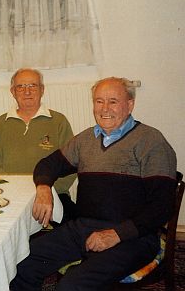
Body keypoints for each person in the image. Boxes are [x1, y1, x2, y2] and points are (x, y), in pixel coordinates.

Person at [9, 77, 177, 290]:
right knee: (19, 263)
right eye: (99, 101)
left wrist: (116, 234)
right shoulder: (85, 140)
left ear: (130, 104)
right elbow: (47, 164)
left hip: (133, 237)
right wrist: (43, 188)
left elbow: (162, 206)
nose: (105, 108)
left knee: (72, 285)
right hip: (84, 228)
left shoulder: (151, 141)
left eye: (113, 101)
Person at [0, 68, 76, 220]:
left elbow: (72, 163)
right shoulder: (1, 123)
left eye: (32, 86)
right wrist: (10, 189)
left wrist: (47, 191)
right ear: (13, 92)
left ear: (42, 90)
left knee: (63, 238)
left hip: (52, 196)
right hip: (10, 197)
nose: (27, 92)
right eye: (21, 87)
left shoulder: (58, 121)